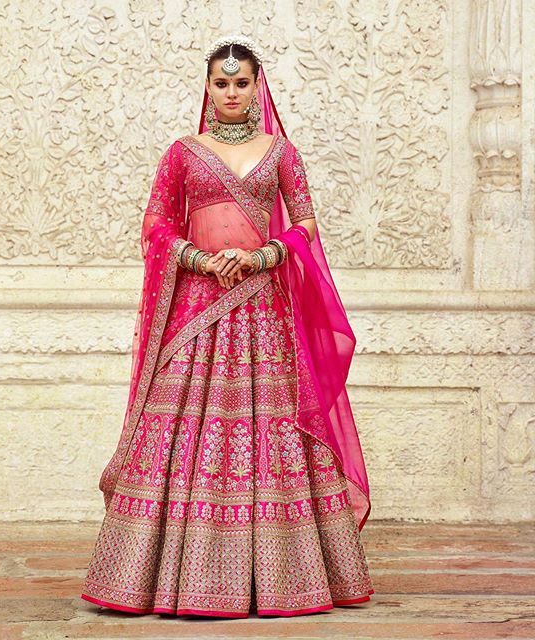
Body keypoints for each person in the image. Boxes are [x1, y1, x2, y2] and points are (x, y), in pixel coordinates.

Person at [81, 33, 374, 619]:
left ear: (256, 86)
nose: (232, 91)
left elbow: (307, 224)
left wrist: (264, 255)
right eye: (222, 82)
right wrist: (196, 258)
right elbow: (155, 225)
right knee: (183, 433)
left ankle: (284, 580)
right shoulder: (183, 152)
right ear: (208, 88)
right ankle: (159, 578)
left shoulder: (280, 152)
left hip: (264, 306)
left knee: (270, 431)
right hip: (196, 307)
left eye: (242, 82)